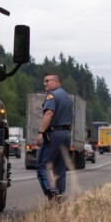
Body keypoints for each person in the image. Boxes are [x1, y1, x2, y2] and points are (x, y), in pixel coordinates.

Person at [36, 73, 74, 201]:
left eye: (47, 81)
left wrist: (41, 132)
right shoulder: (68, 97)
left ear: (57, 82)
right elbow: (71, 119)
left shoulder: (52, 96)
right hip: (66, 134)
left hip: (55, 134)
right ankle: (59, 196)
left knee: (42, 165)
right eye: (44, 81)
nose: (45, 83)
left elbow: (49, 114)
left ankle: (52, 192)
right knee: (60, 167)